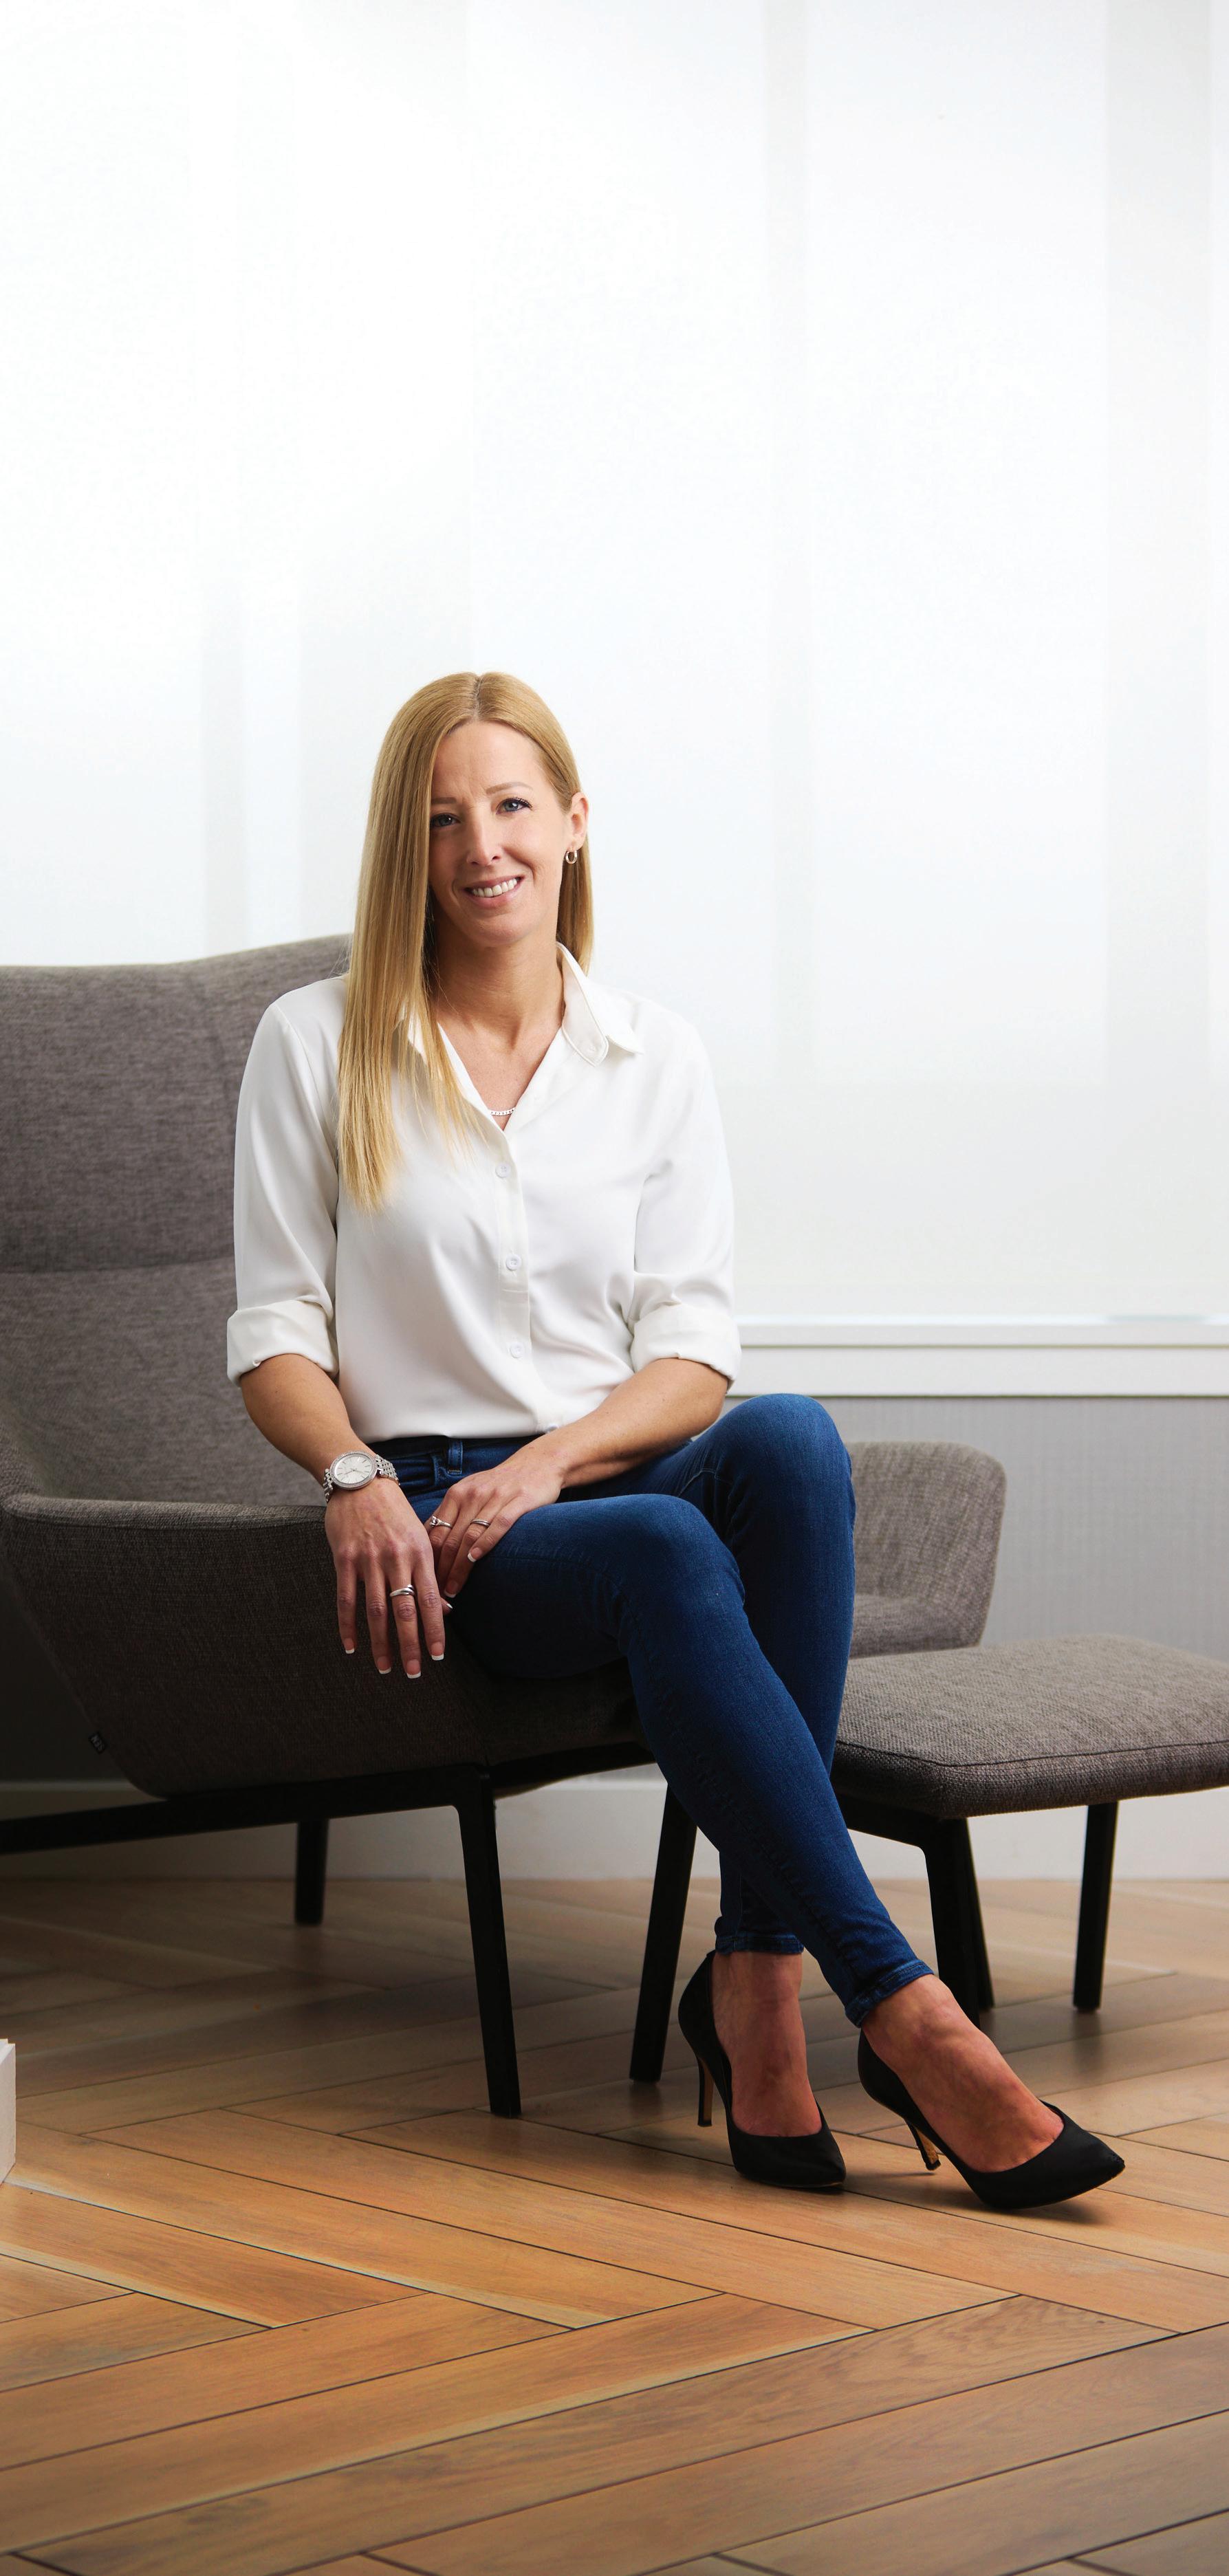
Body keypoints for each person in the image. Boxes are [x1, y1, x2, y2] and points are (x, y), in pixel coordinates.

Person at [227, 668, 1123, 2212]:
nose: (482, 846)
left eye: (514, 804)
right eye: (441, 819)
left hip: (597, 1469)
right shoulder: (315, 1042)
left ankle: (757, 1977)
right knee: (662, 1539)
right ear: (402, 847)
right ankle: (907, 2015)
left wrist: (550, 1461)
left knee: (789, 1444)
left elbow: (694, 1357)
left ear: (575, 822)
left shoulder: (654, 1055)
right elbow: (272, 1334)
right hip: (444, 1508)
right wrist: (355, 1474)